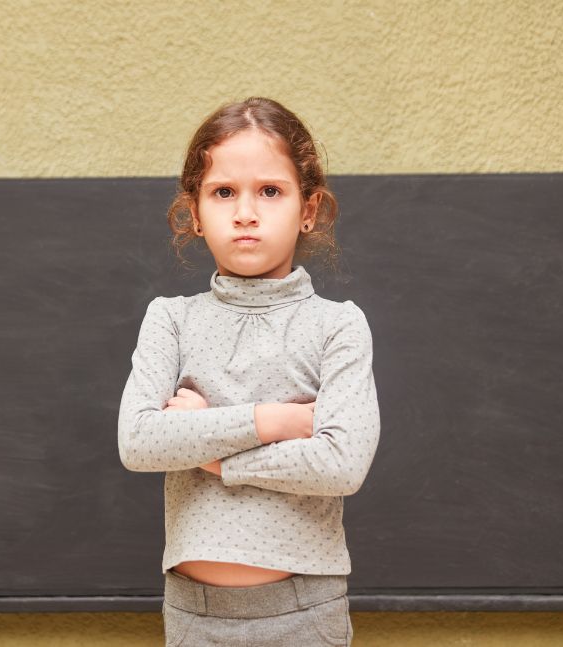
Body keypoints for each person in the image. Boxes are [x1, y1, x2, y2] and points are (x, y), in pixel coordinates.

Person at [117, 96, 381, 646]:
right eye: (223, 192)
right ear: (194, 211)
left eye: (269, 191)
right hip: (194, 615)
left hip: (306, 611)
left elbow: (341, 464)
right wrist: (275, 420)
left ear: (308, 208)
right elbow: (140, 441)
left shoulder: (338, 326)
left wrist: (209, 455)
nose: (245, 212)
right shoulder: (172, 319)